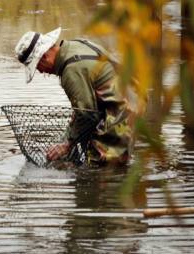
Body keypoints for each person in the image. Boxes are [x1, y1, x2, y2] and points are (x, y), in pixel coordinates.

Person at [14, 27, 134, 166]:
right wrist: (65, 140)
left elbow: (87, 115)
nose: (40, 71)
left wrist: (67, 145)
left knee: (101, 164)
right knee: (93, 151)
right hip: (127, 96)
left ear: (44, 57)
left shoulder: (71, 71)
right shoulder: (73, 46)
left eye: (37, 67)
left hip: (126, 107)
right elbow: (84, 109)